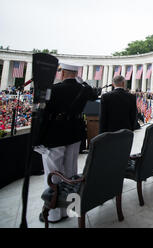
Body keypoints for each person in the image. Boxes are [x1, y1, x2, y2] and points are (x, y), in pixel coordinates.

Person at [38, 63, 99, 223]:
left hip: (55, 134)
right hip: (74, 132)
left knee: (52, 174)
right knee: (71, 171)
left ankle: (53, 214)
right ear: (76, 73)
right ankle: (69, 209)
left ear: (63, 72)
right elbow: (94, 94)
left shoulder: (54, 89)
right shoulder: (83, 89)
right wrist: (83, 82)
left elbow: (43, 115)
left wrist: (38, 139)